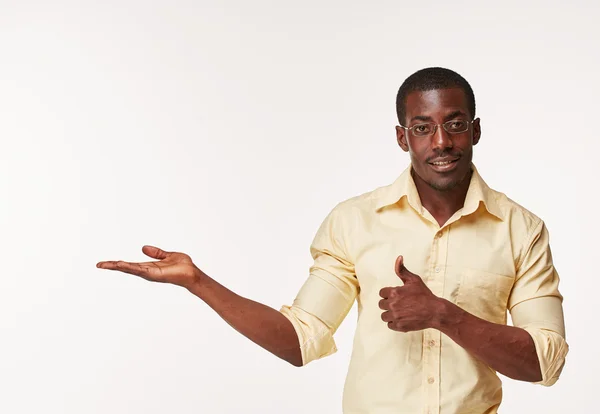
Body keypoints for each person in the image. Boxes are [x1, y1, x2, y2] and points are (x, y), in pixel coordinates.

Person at [96, 67, 568, 414]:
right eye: (423, 128)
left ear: (476, 130)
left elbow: (545, 363)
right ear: (403, 138)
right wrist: (199, 282)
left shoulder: (521, 229)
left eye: (455, 123)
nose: (440, 141)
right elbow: (300, 341)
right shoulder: (354, 221)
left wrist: (443, 314)